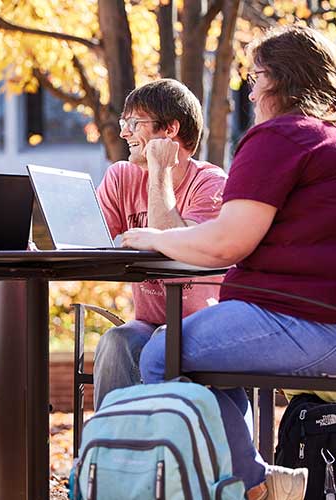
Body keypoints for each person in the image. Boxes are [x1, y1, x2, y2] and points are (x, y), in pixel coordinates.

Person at [125, 25, 336, 499]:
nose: (251, 88)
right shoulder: (325, 140)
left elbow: (228, 244)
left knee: (161, 353)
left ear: (276, 80)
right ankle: (251, 479)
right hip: (315, 315)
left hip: (304, 319)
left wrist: (155, 238)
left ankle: (239, 485)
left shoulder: (280, 138)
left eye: (255, 75)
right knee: (199, 355)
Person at [92, 79, 227, 409]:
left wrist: (160, 170)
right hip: (149, 321)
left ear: (170, 131)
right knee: (116, 340)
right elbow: (89, 242)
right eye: (124, 123)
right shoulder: (120, 176)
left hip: (203, 324)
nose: (125, 133)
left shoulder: (211, 183)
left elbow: (169, 243)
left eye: (135, 123)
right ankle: (114, 451)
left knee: (161, 343)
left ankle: (177, 453)